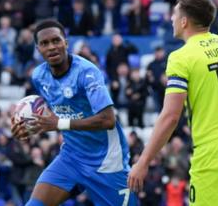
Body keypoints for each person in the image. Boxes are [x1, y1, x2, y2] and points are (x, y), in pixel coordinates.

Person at [127, 0, 218, 205]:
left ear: (184, 21)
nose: (171, 19)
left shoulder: (180, 57)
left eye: (174, 14)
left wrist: (143, 161)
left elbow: (171, 116)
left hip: (213, 154)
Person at [11, 19, 137, 206]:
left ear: (66, 43)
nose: (51, 47)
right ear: (38, 49)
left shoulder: (87, 72)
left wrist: (58, 124)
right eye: (45, 43)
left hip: (106, 161)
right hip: (71, 158)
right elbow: (50, 109)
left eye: (56, 41)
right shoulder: (39, 76)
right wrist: (27, 125)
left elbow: (108, 119)